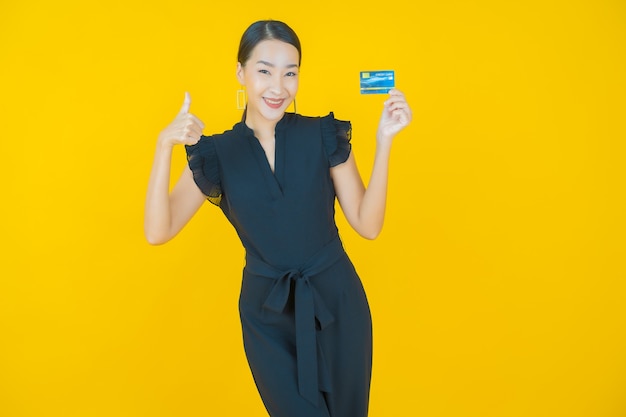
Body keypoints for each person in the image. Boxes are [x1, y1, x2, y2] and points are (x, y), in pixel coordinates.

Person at [144, 20, 411, 417]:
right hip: (267, 316)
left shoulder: (324, 135)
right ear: (241, 72)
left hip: (338, 302)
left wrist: (384, 141)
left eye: (291, 73)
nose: (278, 86)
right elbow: (157, 231)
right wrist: (163, 146)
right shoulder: (217, 154)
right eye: (264, 70)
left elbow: (368, 225)